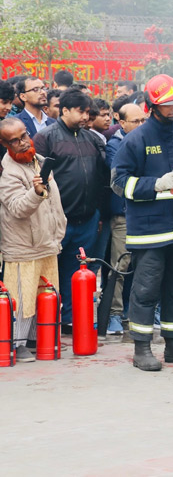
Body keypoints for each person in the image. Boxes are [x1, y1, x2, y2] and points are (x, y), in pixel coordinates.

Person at [111, 75, 173, 371]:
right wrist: (156, 184)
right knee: (145, 291)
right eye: (167, 104)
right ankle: (142, 349)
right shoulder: (137, 139)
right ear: (151, 106)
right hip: (150, 233)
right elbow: (119, 183)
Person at [33, 89, 108, 329]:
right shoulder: (46, 138)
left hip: (86, 218)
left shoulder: (93, 139)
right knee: (50, 272)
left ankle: (71, 321)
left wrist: (99, 212)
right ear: (64, 110)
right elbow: (37, 179)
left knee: (78, 272)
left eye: (88, 112)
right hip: (55, 218)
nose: (86, 116)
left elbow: (102, 178)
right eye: (81, 111)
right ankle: (46, 324)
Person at [0, 117, 66, 362]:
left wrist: (59, 228)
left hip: (47, 241)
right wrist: (35, 192)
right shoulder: (7, 171)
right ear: (5, 144)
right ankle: (16, 344)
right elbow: (17, 208)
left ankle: (41, 340)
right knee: (22, 297)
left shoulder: (38, 161)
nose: (21, 143)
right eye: (14, 141)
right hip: (23, 247)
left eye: (23, 136)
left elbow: (54, 202)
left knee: (46, 294)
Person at [103, 102, 146, 336]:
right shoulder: (114, 145)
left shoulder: (149, 141)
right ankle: (114, 314)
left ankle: (138, 311)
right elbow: (123, 175)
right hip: (123, 215)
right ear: (121, 122)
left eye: (143, 121)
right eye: (135, 121)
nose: (141, 125)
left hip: (146, 213)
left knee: (146, 266)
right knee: (120, 266)